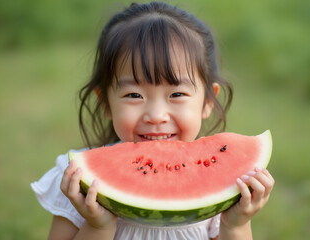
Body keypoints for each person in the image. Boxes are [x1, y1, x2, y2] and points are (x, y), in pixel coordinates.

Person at [31, 2, 275, 239]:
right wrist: (97, 227)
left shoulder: (226, 185)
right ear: (105, 103)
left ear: (208, 102)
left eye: (177, 94)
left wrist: (235, 225)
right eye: (134, 95)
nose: (156, 116)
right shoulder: (77, 180)